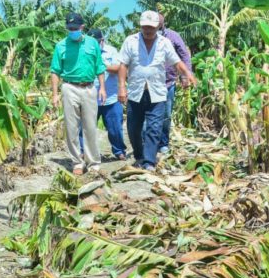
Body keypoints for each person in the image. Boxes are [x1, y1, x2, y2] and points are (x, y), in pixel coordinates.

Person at [118, 11, 197, 171]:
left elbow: (176, 61)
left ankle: (149, 162)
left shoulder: (164, 43)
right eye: (145, 27)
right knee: (134, 128)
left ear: (158, 27)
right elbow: (123, 65)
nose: (148, 31)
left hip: (158, 92)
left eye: (151, 28)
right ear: (140, 26)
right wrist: (121, 86)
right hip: (136, 92)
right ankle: (139, 155)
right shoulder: (130, 41)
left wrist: (187, 73)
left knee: (155, 127)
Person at [50, 13, 107, 175]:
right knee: (71, 127)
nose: (72, 31)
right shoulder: (61, 46)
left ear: (82, 27)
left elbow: (99, 67)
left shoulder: (92, 44)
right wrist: (55, 94)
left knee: (90, 126)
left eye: (75, 28)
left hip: (89, 88)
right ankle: (77, 161)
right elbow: (55, 71)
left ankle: (93, 162)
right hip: (69, 87)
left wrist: (102, 88)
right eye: (70, 28)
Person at [79, 29, 127, 160]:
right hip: (89, 97)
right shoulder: (83, 51)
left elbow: (118, 68)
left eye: (97, 42)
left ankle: (119, 151)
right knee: (85, 127)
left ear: (102, 41)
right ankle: (83, 152)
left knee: (115, 127)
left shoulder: (111, 51)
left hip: (110, 97)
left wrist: (102, 65)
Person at [158, 13, 192, 154]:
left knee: (166, 114)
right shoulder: (141, 37)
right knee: (147, 115)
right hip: (147, 85)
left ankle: (163, 143)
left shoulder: (172, 36)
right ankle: (147, 142)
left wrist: (185, 76)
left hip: (167, 82)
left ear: (162, 24)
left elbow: (184, 55)